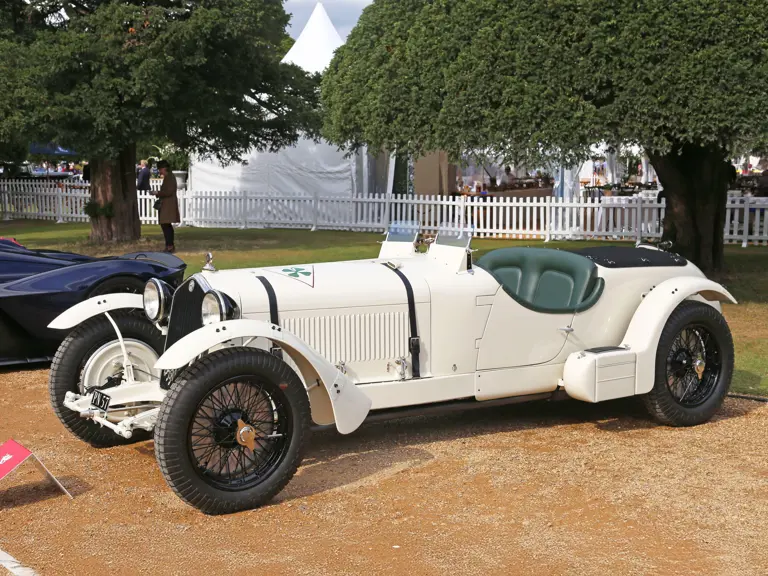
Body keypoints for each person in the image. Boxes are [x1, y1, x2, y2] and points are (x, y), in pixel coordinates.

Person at [154, 160, 180, 253]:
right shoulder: (168, 177)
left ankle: (170, 246)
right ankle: (169, 245)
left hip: (168, 204)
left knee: (166, 225)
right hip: (166, 204)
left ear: (164, 168)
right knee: (165, 225)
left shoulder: (170, 177)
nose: (160, 171)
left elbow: (169, 191)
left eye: (160, 169)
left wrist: (157, 193)